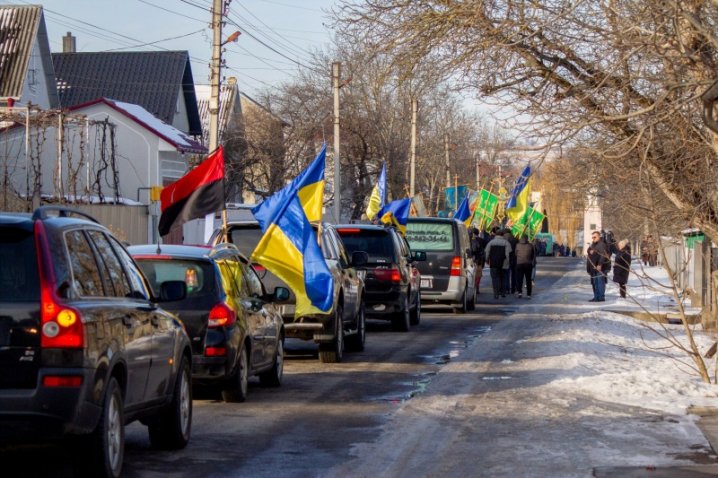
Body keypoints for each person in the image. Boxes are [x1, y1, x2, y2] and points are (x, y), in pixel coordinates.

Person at [486, 229, 511, 299]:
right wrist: (509, 261)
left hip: (494, 263)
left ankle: (496, 293)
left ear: (496, 235)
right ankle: (503, 292)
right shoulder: (506, 243)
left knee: (495, 278)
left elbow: (487, 252)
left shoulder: (491, 242)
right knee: (503, 278)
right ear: (503, 235)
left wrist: (487, 260)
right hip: (504, 263)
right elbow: (508, 254)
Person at [587, 230, 609, 302]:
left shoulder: (602, 245)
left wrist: (600, 264)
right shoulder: (593, 244)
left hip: (600, 267)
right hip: (593, 266)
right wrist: (589, 251)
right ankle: (596, 296)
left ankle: (601, 297)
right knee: (595, 283)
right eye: (592, 237)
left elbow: (603, 256)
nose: (593, 239)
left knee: (600, 282)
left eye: (595, 237)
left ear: (599, 236)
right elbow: (588, 249)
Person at [515, 234, 535, 299]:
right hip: (528, 264)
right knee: (528, 279)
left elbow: (515, 253)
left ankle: (519, 292)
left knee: (519, 279)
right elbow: (533, 254)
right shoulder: (530, 245)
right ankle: (528, 294)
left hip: (519, 263)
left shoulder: (517, 245)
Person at [470, 228, 486, 294]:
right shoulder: (482, 240)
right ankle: (477, 287)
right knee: (478, 275)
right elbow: (482, 252)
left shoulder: (466, 242)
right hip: (478, 261)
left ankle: (472, 287)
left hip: (470, 261)